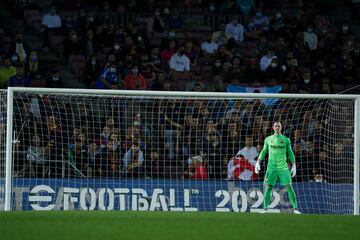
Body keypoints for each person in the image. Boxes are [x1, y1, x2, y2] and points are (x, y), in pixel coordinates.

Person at [255, 121, 301, 214]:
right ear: (273, 127)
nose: (277, 128)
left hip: (283, 167)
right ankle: (265, 209)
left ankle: (296, 209)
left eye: (278, 126)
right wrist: (258, 162)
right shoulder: (268, 139)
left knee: (289, 187)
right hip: (271, 168)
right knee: (268, 188)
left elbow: (290, 153)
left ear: (281, 128)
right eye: (275, 126)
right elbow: (264, 151)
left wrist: (294, 165)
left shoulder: (286, 139)